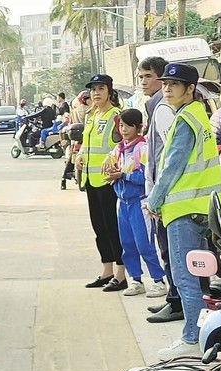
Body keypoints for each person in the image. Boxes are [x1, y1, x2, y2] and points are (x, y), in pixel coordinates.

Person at [145, 63, 221, 360]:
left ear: (190, 88)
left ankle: (192, 337)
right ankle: (204, 335)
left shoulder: (184, 120)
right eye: (165, 83)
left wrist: (153, 201)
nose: (167, 89)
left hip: (184, 209)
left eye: (174, 85)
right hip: (203, 209)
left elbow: (172, 167)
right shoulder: (198, 114)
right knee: (200, 276)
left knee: (184, 277)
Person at [137, 56, 184, 323]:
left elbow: (168, 157)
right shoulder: (155, 105)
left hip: (167, 194)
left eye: (148, 76)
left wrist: (156, 196)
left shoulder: (164, 107)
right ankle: (173, 298)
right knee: (167, 249)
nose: (144, 82)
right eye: (141, 77)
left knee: (171, 251)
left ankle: (177, 302)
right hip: (160, 189)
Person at [105, 108, 166, 298]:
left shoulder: (143, 148)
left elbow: (146, 177)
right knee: (127, 244)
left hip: (139, 203)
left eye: (128, 126)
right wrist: (110, 170)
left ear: (138, 127)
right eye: (121, 125)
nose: (124, 130)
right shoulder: (119, 149)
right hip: (122, 203)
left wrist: (123, 175)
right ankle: (136, 280)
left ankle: (158, 280)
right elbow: (111, 168)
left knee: (144, 244)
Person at [76, 73, 125, 291]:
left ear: (109, 91)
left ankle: (121, 274)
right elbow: (87, 143)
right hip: (90, 179)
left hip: (108, 181)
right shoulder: (91, 115)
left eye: (101, 89)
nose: (96, 93)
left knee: (113, 228)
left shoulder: (116, 116)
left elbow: (125, 144)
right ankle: (107, 271)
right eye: (93, 89)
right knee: (99, 228)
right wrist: (80, 155)